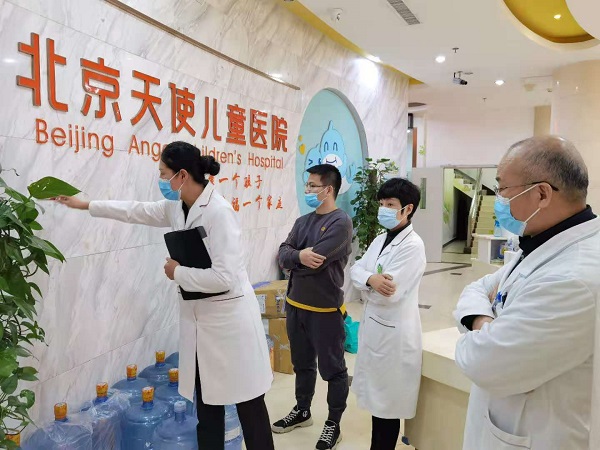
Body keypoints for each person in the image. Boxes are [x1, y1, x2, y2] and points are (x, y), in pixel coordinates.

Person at [55, 141, 275, 450]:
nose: (160, 180)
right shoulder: (178, 207)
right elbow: (135, 210)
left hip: (231, 327)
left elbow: (224, 278)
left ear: (182, 175)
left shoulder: (219, 212)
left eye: (163, 174)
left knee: (248, 406)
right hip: (203, 328)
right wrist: (86, 205)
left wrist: (177, 272)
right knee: (207, 407)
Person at [453, 136, 599, 450]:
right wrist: (484, 323)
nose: (498, 198)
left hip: (538, 436)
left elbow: (483, 363)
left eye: (502, 187)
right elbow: (478, 287)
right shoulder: (542, 243)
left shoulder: (573, 279)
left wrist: (481, 333)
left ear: (542, 194)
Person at [274, 164, 353, 450]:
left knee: (333, 369)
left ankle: (333, 423)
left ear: (328, 189)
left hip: (325, 310)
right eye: (307, 184)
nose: (307, 190)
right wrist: (298, 257)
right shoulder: (302, 221)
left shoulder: (340, 223)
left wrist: (296, 258)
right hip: (295, 304)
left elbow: (316, 261)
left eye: (312, 185)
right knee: (302, 364)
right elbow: (282, 254)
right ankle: (302, 410)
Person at [350, 177, 426, 450]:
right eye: (382, 203)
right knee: (377, 405)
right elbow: (356, 269)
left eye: (390, 204)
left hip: (394, 336)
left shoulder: (413, 246)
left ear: (408, 209)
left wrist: (366, 282)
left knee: (387, 408)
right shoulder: (381, 238)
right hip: (376, 329)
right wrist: (370, 279)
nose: (383, 209)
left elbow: (389, 294)